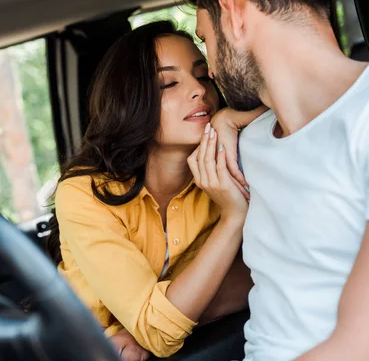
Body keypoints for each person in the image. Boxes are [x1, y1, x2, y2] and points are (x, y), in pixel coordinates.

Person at [182, 0, 369, 360]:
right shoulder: (251, 141)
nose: (210, 69)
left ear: (234, 15)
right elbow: (283, 279)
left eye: (205, 41)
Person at [46, 20, 254, 360]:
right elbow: (158, 331)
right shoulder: (84, 192)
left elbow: (265, 268)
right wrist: (233, 219)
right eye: (168, 83)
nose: (199, 90)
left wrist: (227, 119)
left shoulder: (232, 162)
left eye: (203, 76)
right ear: (130, 102)